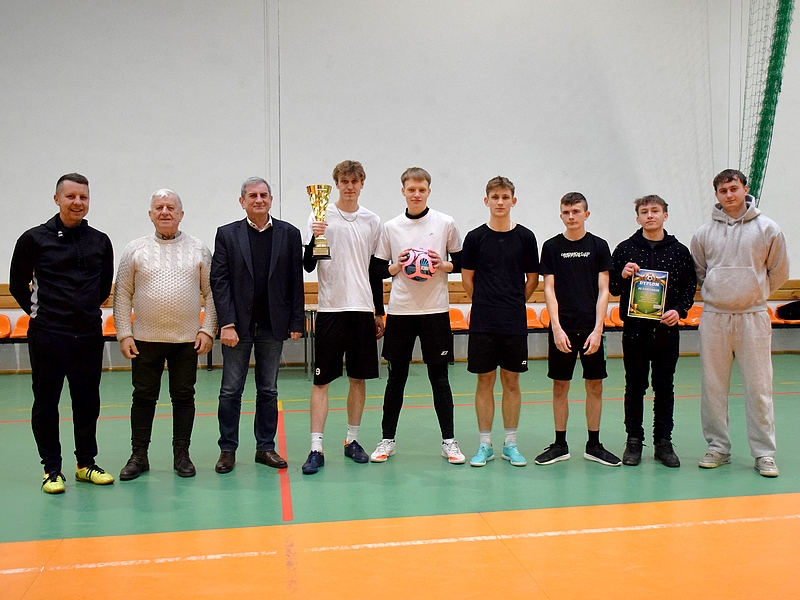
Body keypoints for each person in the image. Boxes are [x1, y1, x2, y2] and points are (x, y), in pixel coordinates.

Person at [9, 173, 115, 494]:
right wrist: (43, 314)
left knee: (87, 401)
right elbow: (17, 285)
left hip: (88, 336)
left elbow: (103, 287)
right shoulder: (33, 239)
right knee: (46, 402)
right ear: (57, 199)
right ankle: (52, 470)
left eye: (83, 197)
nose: (77, 202)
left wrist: (82, 313)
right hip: (47, 335)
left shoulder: (100, 241)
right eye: (70, 196)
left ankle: (86, 464)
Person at [113, 189, 219, 480]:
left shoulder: (199, 249)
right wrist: (124, 333)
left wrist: (207, 330)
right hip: (145, 339)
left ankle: (181, 454)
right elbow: (122, 293)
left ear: (181, 214)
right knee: (143, 397)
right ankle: (138, 455)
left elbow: (212, 293)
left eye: (171, 207)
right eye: (159, 207)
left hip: (186, 340)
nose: (165, 212)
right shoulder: (134, 249)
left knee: (183, 397)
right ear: (150, 214)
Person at [690, 169, 789, 477]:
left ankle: (764, 453)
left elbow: (779, 272)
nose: (729, 194)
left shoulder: (768, 228)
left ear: (745, 189)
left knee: (759, 387)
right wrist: (721, 291)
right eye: (723, 190)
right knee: (713, 387)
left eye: (734, 188)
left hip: (753, 317)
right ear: (717, 195)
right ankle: (718, 447)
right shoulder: (703, 233)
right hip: (715, 318)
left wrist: (753, 293)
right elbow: (700, 272)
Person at [370, 167, 465, 464]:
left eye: (421, 189)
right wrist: (395, 267)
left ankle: (449, 441)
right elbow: (376, 270)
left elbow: (462, 261)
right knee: (396, 379)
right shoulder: (391, 227)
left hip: (435, 310)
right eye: (411, 189)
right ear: (403, 191)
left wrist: (444, 265)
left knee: (440, 378)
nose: (416, 194)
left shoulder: (445, 223)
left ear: (429, 191)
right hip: (401, 312)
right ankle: (387, 440)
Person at [210, 177, 304, 474]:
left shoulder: (289, 234)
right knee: (230, 391)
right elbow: (219, 281)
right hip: (237, 327)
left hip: (272, 326)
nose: (259, 200)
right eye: (252, 196)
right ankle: (227, 450)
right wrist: (226, 323)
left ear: (271, 200)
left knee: (268, 390)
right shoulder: (227, 234)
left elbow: (295, 281)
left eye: (264, 195)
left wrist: (296, 320)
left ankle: (265, 447)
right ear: (242, 202)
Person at [300, 161, 384, 475]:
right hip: (330, 309)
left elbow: (375, 270)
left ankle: (352, 440)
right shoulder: (320, 214)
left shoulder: (372, 220)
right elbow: (308, 264)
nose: (349, 186)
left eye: (355, 181)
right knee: (321, 380)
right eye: (344, 181)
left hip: (361, 309)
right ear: (336, 184)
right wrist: (314, 237)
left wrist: (379, 310)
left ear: (362, 184)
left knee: (358, 379)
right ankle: (316, 447)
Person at [535, 192, 621, 467]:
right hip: (563, 327)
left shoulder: (599, 245)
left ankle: (593, 445)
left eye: (576, 211)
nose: (571, 216)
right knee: (560, 385)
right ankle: (560, 445)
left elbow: (604, 290)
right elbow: (549, 289)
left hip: (591, 328)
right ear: (561, 215)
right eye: (566, 212)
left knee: (595, 385)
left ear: (586, 214)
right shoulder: (551, 246)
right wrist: (556, 328)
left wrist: (598, 328)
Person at [610, 195, 696, 468]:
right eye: (644, 211)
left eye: (655, 211)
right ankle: (634, 440)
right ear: (637, 218)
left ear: (665, 215)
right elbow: (612, 287)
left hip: (666, 331)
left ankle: (663, 442)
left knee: (664, 386)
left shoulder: (679, 251)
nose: (650, 215)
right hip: (635, 330)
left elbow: (689, 288)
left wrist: (679, 310)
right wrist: (622, 275)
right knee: (635, 386)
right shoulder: (624, 249)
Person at [461, 176, 539, 467]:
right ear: (486, 201)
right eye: (495, 197)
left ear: (513, 201)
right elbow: (467, 278)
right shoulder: (474, 238)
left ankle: (510, 444)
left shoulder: (526, 237)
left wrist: (515, 302)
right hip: (483, 321)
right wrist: (484, 302)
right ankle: (485, 444)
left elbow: (533, 279)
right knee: (484, 380)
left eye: (505, 197)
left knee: (511, 381)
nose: (500, 202)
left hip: (513, 321)